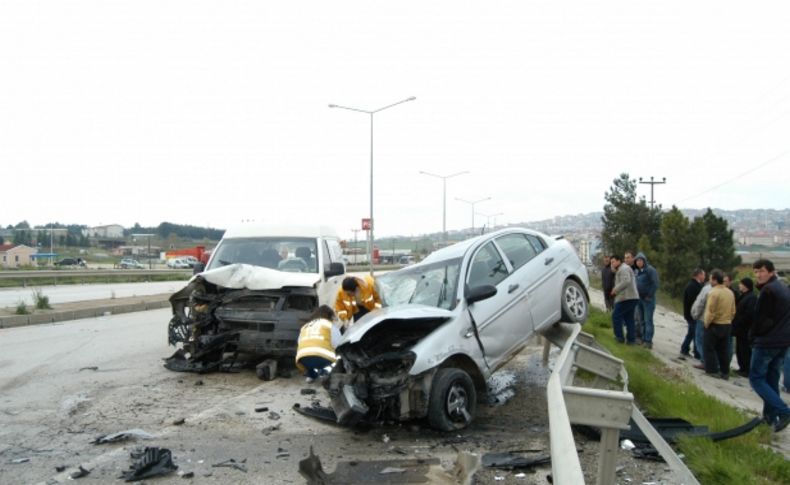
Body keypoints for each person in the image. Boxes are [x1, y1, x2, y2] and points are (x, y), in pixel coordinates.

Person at [749, 259, 790, 432]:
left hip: (768, 342)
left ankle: (784, 411)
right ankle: (770, 418)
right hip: (783, 341)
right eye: (756, 272)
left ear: (771, 272)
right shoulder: (783, 287)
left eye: (762, 271)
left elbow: (760, 319)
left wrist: (754, 336)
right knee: (771, 380)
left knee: (756, 379)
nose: (758, 275)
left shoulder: (768, 291)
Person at [702, 269, 736, 379]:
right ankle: (725, 372)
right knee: (723, 349)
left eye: (710, 278)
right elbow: (733, 310)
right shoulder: (730, 292)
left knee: (709, 347)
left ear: (715, 280)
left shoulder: (713, 292)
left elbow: (710, 311)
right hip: (727, 324)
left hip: (715, 324)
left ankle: (712, 370)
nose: (709, 280)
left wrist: (706, 323)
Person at [295, 305, 342, 382]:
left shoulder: (306, 326)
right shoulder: (329, 325)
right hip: (322, 359)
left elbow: (299, 342)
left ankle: (311, 375)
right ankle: (325, 372)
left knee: (311, 356)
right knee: (339, 356)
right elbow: (338, 344)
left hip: (302, 360)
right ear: (330, 316)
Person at [610, 254, 639, 344]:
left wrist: (615, 289)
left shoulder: (624, 268)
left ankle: (619, 337)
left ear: (619, 261)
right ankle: (631, 340)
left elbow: (626, 281)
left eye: (613, 262)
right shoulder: (621, 269)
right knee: (629, 318)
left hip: (626, 297)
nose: (612, 264)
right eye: (611, 263)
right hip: (631, 297)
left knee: (616, 316)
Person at [732, 277, 756, 377]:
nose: (739, 286)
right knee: (739, 349)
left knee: (745, 349)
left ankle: (746, 369)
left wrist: (740, 321)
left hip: (745, 329)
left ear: (746, 286)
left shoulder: (751, 298)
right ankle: (742, 367)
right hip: (739, 329)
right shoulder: (743, 296)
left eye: (741, 284)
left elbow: (749, 314)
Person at [634, 252, 659, 349]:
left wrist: (650, 295)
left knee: (648, 320)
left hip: (648, 300)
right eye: (637, 260)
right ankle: (643, 339)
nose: (639, 262)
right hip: (639, 299)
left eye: (640, 260)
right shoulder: (637, 271)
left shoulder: (650, 270)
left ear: (644, 261)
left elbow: (655, 284)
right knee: (641, 320)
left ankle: (648, 341)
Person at [681, 269, 706, 360]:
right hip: (692, 314)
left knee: (692, 333)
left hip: (692, 314)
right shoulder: (692, 286)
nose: (704, 277)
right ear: (699, 275)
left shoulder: (696, 285)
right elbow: (694, 302)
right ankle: (689, 350)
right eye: (703, 275)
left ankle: (688, 349)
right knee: (694, 333)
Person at [691, 277, 712, 367]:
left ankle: (704, 360)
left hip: (703, 318)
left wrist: (695, 314)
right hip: (714, 320)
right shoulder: (725, 291)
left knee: (699, 340)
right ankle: (711, 362)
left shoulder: (707, 289)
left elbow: (700, 303)